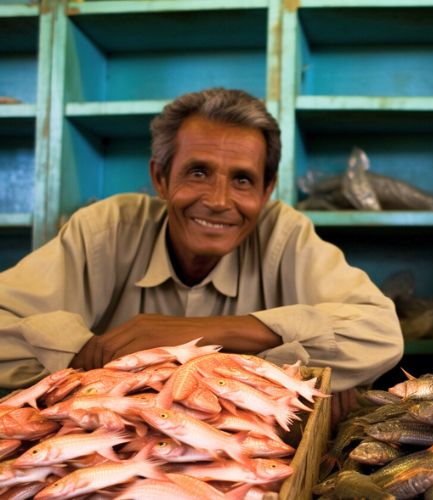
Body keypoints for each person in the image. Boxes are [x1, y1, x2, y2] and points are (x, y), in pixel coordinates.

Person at [0, 88, 403, 396]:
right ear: (160, 178)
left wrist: (208, 332)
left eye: (243, 180)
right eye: (198, 172)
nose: (218, 201)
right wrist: (91, 355)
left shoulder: (284, 233)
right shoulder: (107, 229)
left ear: (266, 191)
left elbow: (380, 332)